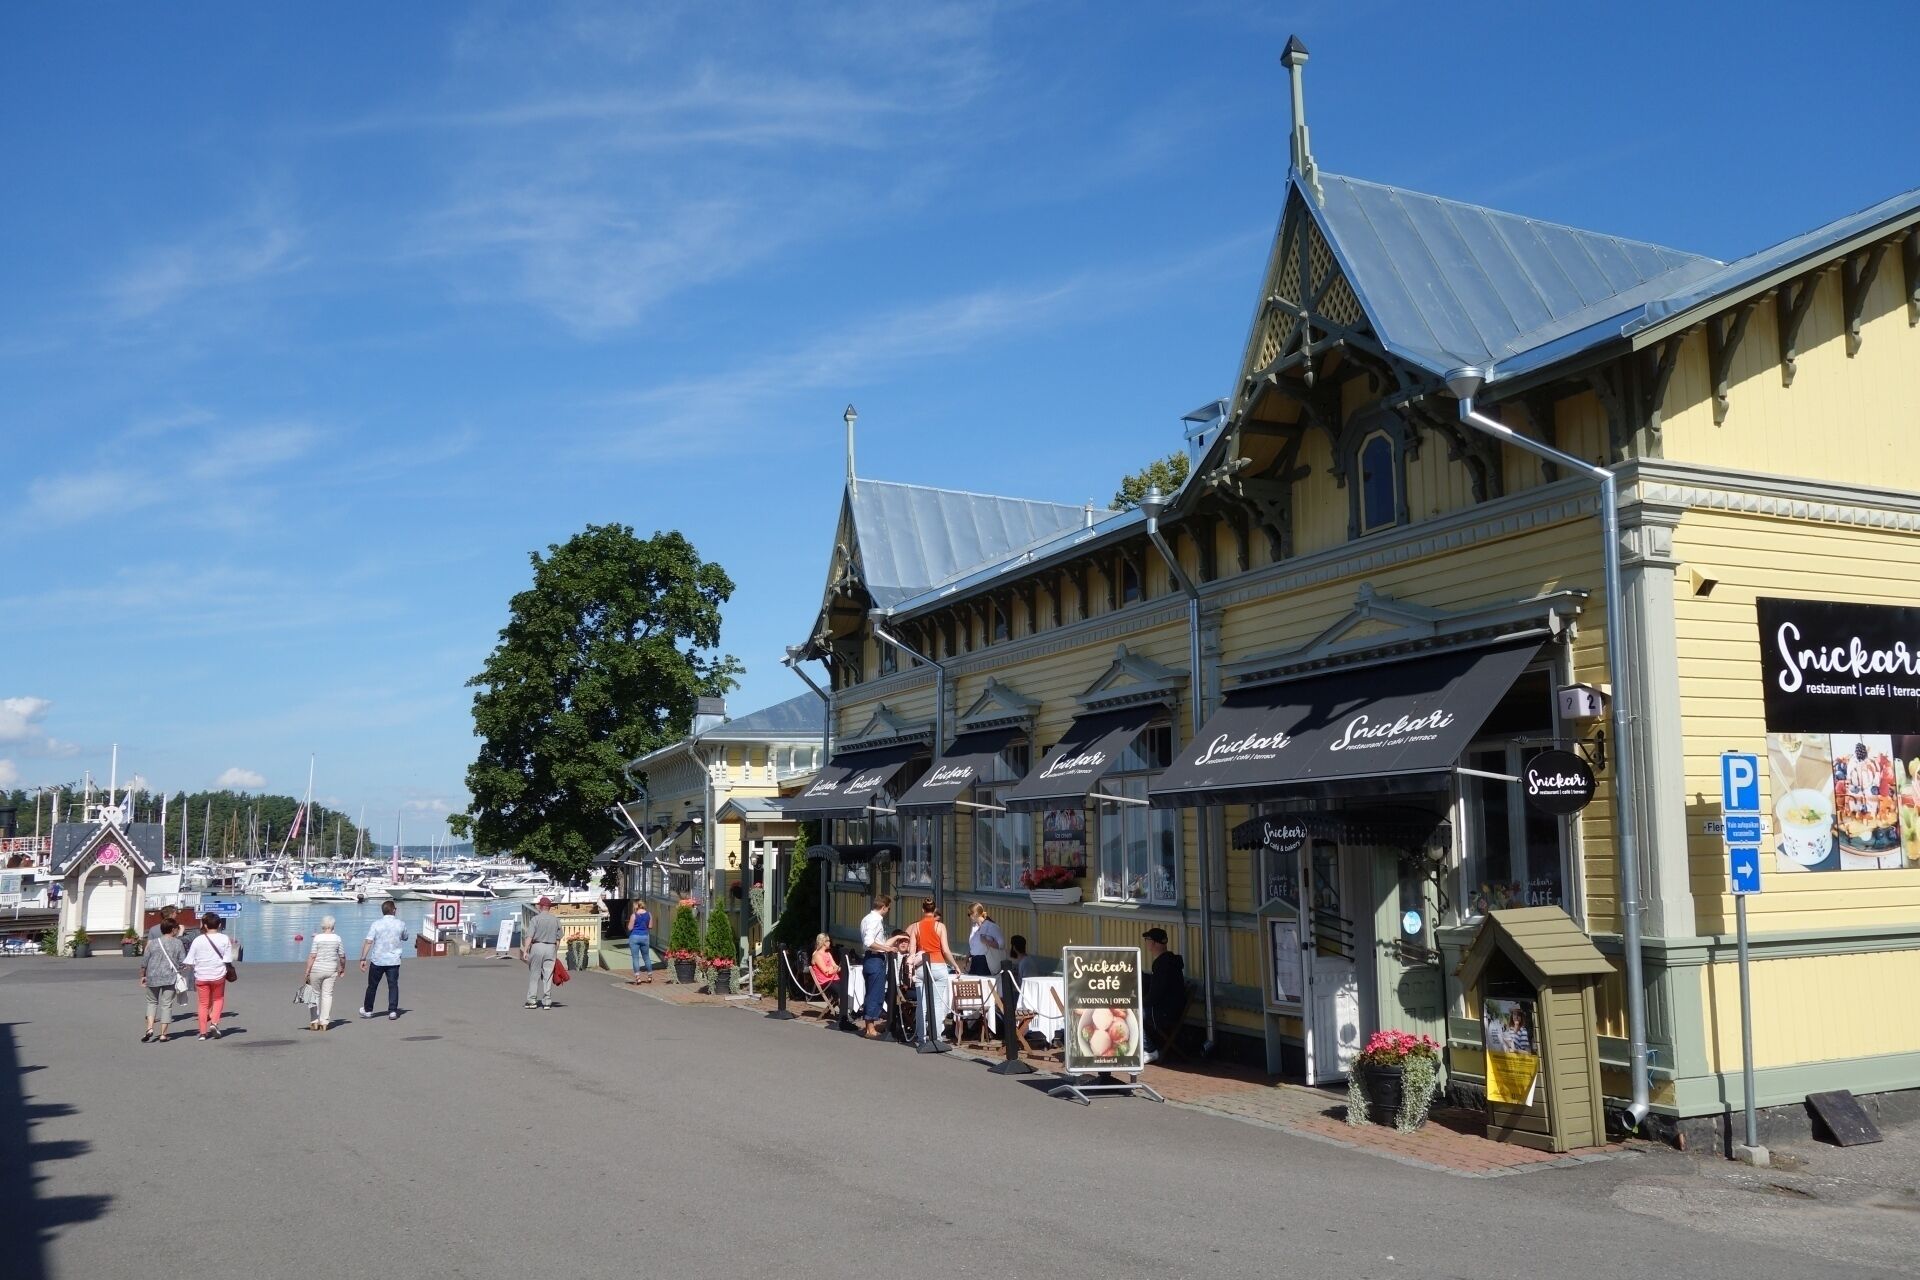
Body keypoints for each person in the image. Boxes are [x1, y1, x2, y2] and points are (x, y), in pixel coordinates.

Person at [184, 913, 236, 1041]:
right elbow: (228, 958)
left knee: (203, 1004)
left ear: (205, 926)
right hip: (218, 974)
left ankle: (202, 1033)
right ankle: (214, 1023)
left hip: (201, 976)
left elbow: (189, 960)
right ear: (219, 925)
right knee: (218, 999)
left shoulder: (198, 940)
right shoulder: (224, 939)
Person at [911, 898, 956, 1045]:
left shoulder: (916, 927)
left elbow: (912, 953)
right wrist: (955, 965)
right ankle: (936, 1037)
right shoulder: (940, 926)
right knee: (937, 1004)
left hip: (921, 966)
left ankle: (921, 1037)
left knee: (921, 1003)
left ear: (923, 910)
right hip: (938, 964)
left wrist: (910, 970)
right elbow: (946, 950)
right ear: (934, 909)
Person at [1141, 927, 1186, 1063]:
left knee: (1133, 1013)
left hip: (1165, 1013)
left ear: (1154, 943)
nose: (1146, 942)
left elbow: (1156, 993)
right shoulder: (1169, 961)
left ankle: (1149, 1050)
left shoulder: (1162, 964)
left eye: (1147, 939)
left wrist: (1140, 1003)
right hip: (1172, 1009)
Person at [358, 899, 408, 1020]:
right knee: (393, 985)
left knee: (372, 985)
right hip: (393, 960)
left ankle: (368, 1010)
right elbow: (405, 937)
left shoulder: (376, 924)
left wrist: (363, 958)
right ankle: (392, 1011)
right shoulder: (400, 924)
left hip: (378, 959)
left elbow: (369, 941)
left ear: (383, 911)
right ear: (394, 910)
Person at [140, 918, 186, 1043]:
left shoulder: (153, 943)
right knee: (166, 1005)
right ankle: (163, 1034)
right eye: (177, 928)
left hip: (152, 976)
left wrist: (143, 975)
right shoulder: (178, 943)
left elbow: (145, 961)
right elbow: (183, 962)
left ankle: (149, 1028)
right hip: (169, 977)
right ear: (173, 929)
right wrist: (180, 968)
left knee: (151, 1002)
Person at [857, 894, 892, 1039]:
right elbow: (868, 942)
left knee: (872, 991)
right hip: (875, 958)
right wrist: (885, 948)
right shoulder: (875, 920)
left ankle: (869, 1026)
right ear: (883, 907)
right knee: (875, 993)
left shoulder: (866, 918)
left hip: (870, 959)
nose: (888, 911)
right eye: (888, 908)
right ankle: (870, 1028)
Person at [304, 915, 346, 1031]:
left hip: (316, 969)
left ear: (323, 925)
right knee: (327, 995)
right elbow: (342, 956)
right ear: (333, 926)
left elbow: (312, 956)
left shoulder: (317, 938)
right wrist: (342, 967)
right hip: (331, 969)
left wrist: (307, 971)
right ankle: (324, 1022)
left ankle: (314, 1021)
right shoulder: (337, 938)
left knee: (315, 995)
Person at [521, 895, 563, 1009]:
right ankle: (547, 1001)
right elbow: (558, 939)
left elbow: (529, 936)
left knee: (534, 974)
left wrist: (525, 950)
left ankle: (532, 1000)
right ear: (549, 907)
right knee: (548, 975)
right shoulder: (555, 920)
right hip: (550, 947)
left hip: (537, 946)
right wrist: (555, 951)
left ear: (540, 906)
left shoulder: (535, 919)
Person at [965, 902, 1005, 977]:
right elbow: (974, 945)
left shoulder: (991, 926)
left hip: (985, 960)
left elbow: (1001, 944)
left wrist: (987, 941)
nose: (969, 916)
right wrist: (968, 955)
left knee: (983, 985)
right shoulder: (974, 927)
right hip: (974, 960)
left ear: (975, 914)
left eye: (969, 914)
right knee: (973, 984)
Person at [626, 902, 653, 985]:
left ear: (636, 907)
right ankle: (649, 976)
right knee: (646, 957)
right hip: (645, 936)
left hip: (634, 937)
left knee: (635, 958)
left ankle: (638, 978)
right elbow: (650, 926)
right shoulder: (649, 914)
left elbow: (630, 928)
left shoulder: (634, 915)